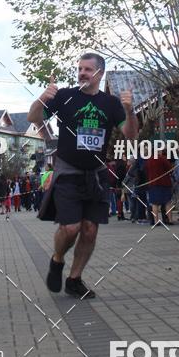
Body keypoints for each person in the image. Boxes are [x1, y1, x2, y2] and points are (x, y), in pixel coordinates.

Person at [29, 52, 138, 300]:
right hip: (68, 171)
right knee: (70, 228)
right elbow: (33, 118)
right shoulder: (65, 96)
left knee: (89, 230)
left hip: (97, 174)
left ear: (99, 73)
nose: (82, 73)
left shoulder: (111, 104)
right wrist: (42, 99)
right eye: (80, 69)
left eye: (88, 69)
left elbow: (130, 134)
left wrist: (130, 111)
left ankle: (74, 279)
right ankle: (57, 260)